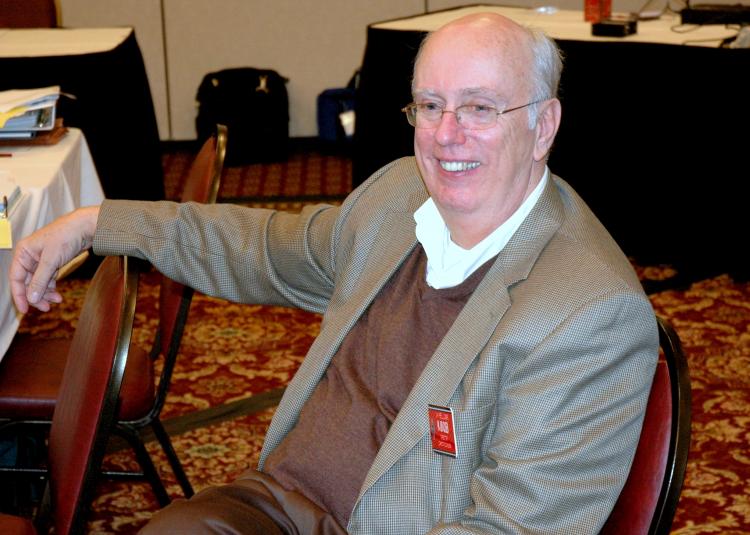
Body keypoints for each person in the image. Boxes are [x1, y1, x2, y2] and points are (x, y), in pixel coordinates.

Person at [9, 12, 658, 535]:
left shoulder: (586, 312)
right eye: (430, 105)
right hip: (274, 502)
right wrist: (97, 221)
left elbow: (510, 526)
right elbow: (265, 247)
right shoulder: (400, 195)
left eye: (480, 108)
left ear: (544, 126)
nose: (446, 134)